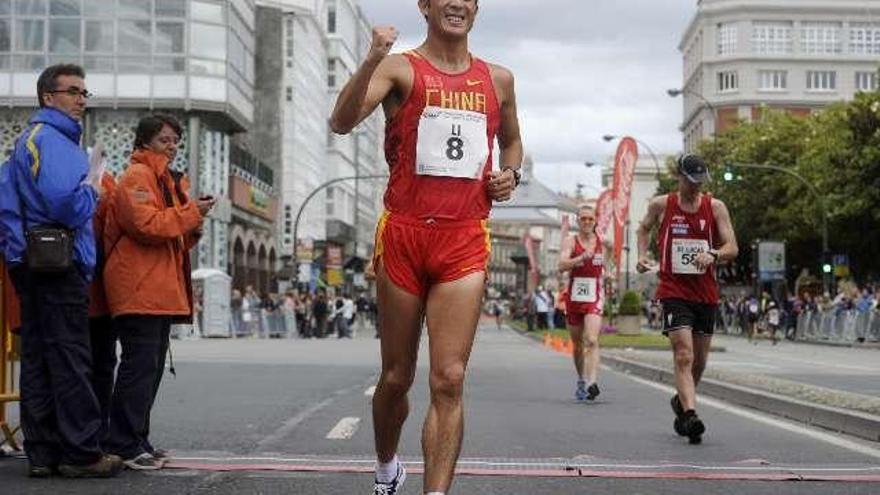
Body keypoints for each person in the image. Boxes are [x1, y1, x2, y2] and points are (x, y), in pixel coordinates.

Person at [329, 0, 522, 492]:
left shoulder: (499, 80)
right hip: (405, 236)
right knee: (396, 377)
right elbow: (341, 122)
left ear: (476, 9)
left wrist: (510, 175)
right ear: (425, 5)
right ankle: (386, 466)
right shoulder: (401, 69)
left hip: (463, 238)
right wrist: (372, 58)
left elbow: (513, 143)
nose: (457, 3)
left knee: (449, 378)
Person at [0, 63, 123, 478]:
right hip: (59, 262)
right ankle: (81, 452)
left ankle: (43, 453)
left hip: (31, 262)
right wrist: (93, 184)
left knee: (38, 358)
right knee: (71, 357)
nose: (81, 100)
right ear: (48, 97)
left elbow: (7, 205)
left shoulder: (28, 141)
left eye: (84, 93)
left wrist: (18, 254)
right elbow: (65, 205)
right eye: (72, 91)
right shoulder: (52, 141)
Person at [102, 114, 214, 470]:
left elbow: (176, 234)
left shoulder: (164, 178)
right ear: (145, 141)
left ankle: (137, 439)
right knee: (140, 367)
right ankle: (123, 442)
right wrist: (190, 213)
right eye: (165, 139)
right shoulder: (138, 176)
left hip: (156, 286)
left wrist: (194, 217)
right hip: (139, 285)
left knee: (149, 368)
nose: (173, 145)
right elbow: (146, 225)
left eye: (176, 140)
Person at [636, 154, 738, 445]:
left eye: (700, 182)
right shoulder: (661, 204)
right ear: (679, 177)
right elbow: (643, 228)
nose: (695, 187)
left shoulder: (715, 207)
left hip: (705, 292)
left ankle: (680, 402)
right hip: (674, 290)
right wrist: (643, 255)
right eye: (691, 181)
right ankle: (691, 415)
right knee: (684, 354)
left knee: (700, 363)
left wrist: (715, 254)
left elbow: (732, 246)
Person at [558, 205, 607, 402]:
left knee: (592, 339)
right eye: (583, 219)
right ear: (578, 221)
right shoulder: (570, 241)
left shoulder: (603, 242)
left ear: (595, 221)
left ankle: (592, 383)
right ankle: (581, 378)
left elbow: (608, 262)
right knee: (578, 344)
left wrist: (609, 270)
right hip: (574, 296)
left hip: (594, 294)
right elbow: (561, 265)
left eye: (590, 219)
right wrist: (579, 258)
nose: (587, 222)